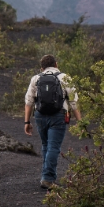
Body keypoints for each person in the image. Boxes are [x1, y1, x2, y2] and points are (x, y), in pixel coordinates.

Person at [23, 54, 82, 189]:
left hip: (40, 115)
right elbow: (74, 102)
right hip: (58, 116)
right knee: (53, 147)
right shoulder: (65, 78)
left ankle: (47, 175)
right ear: (56, 64)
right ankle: (48, 178)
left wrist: (27, 122)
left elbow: (29, 102)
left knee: (46, 145)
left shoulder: (35, 78)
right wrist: (80, 123)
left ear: (41, 68)